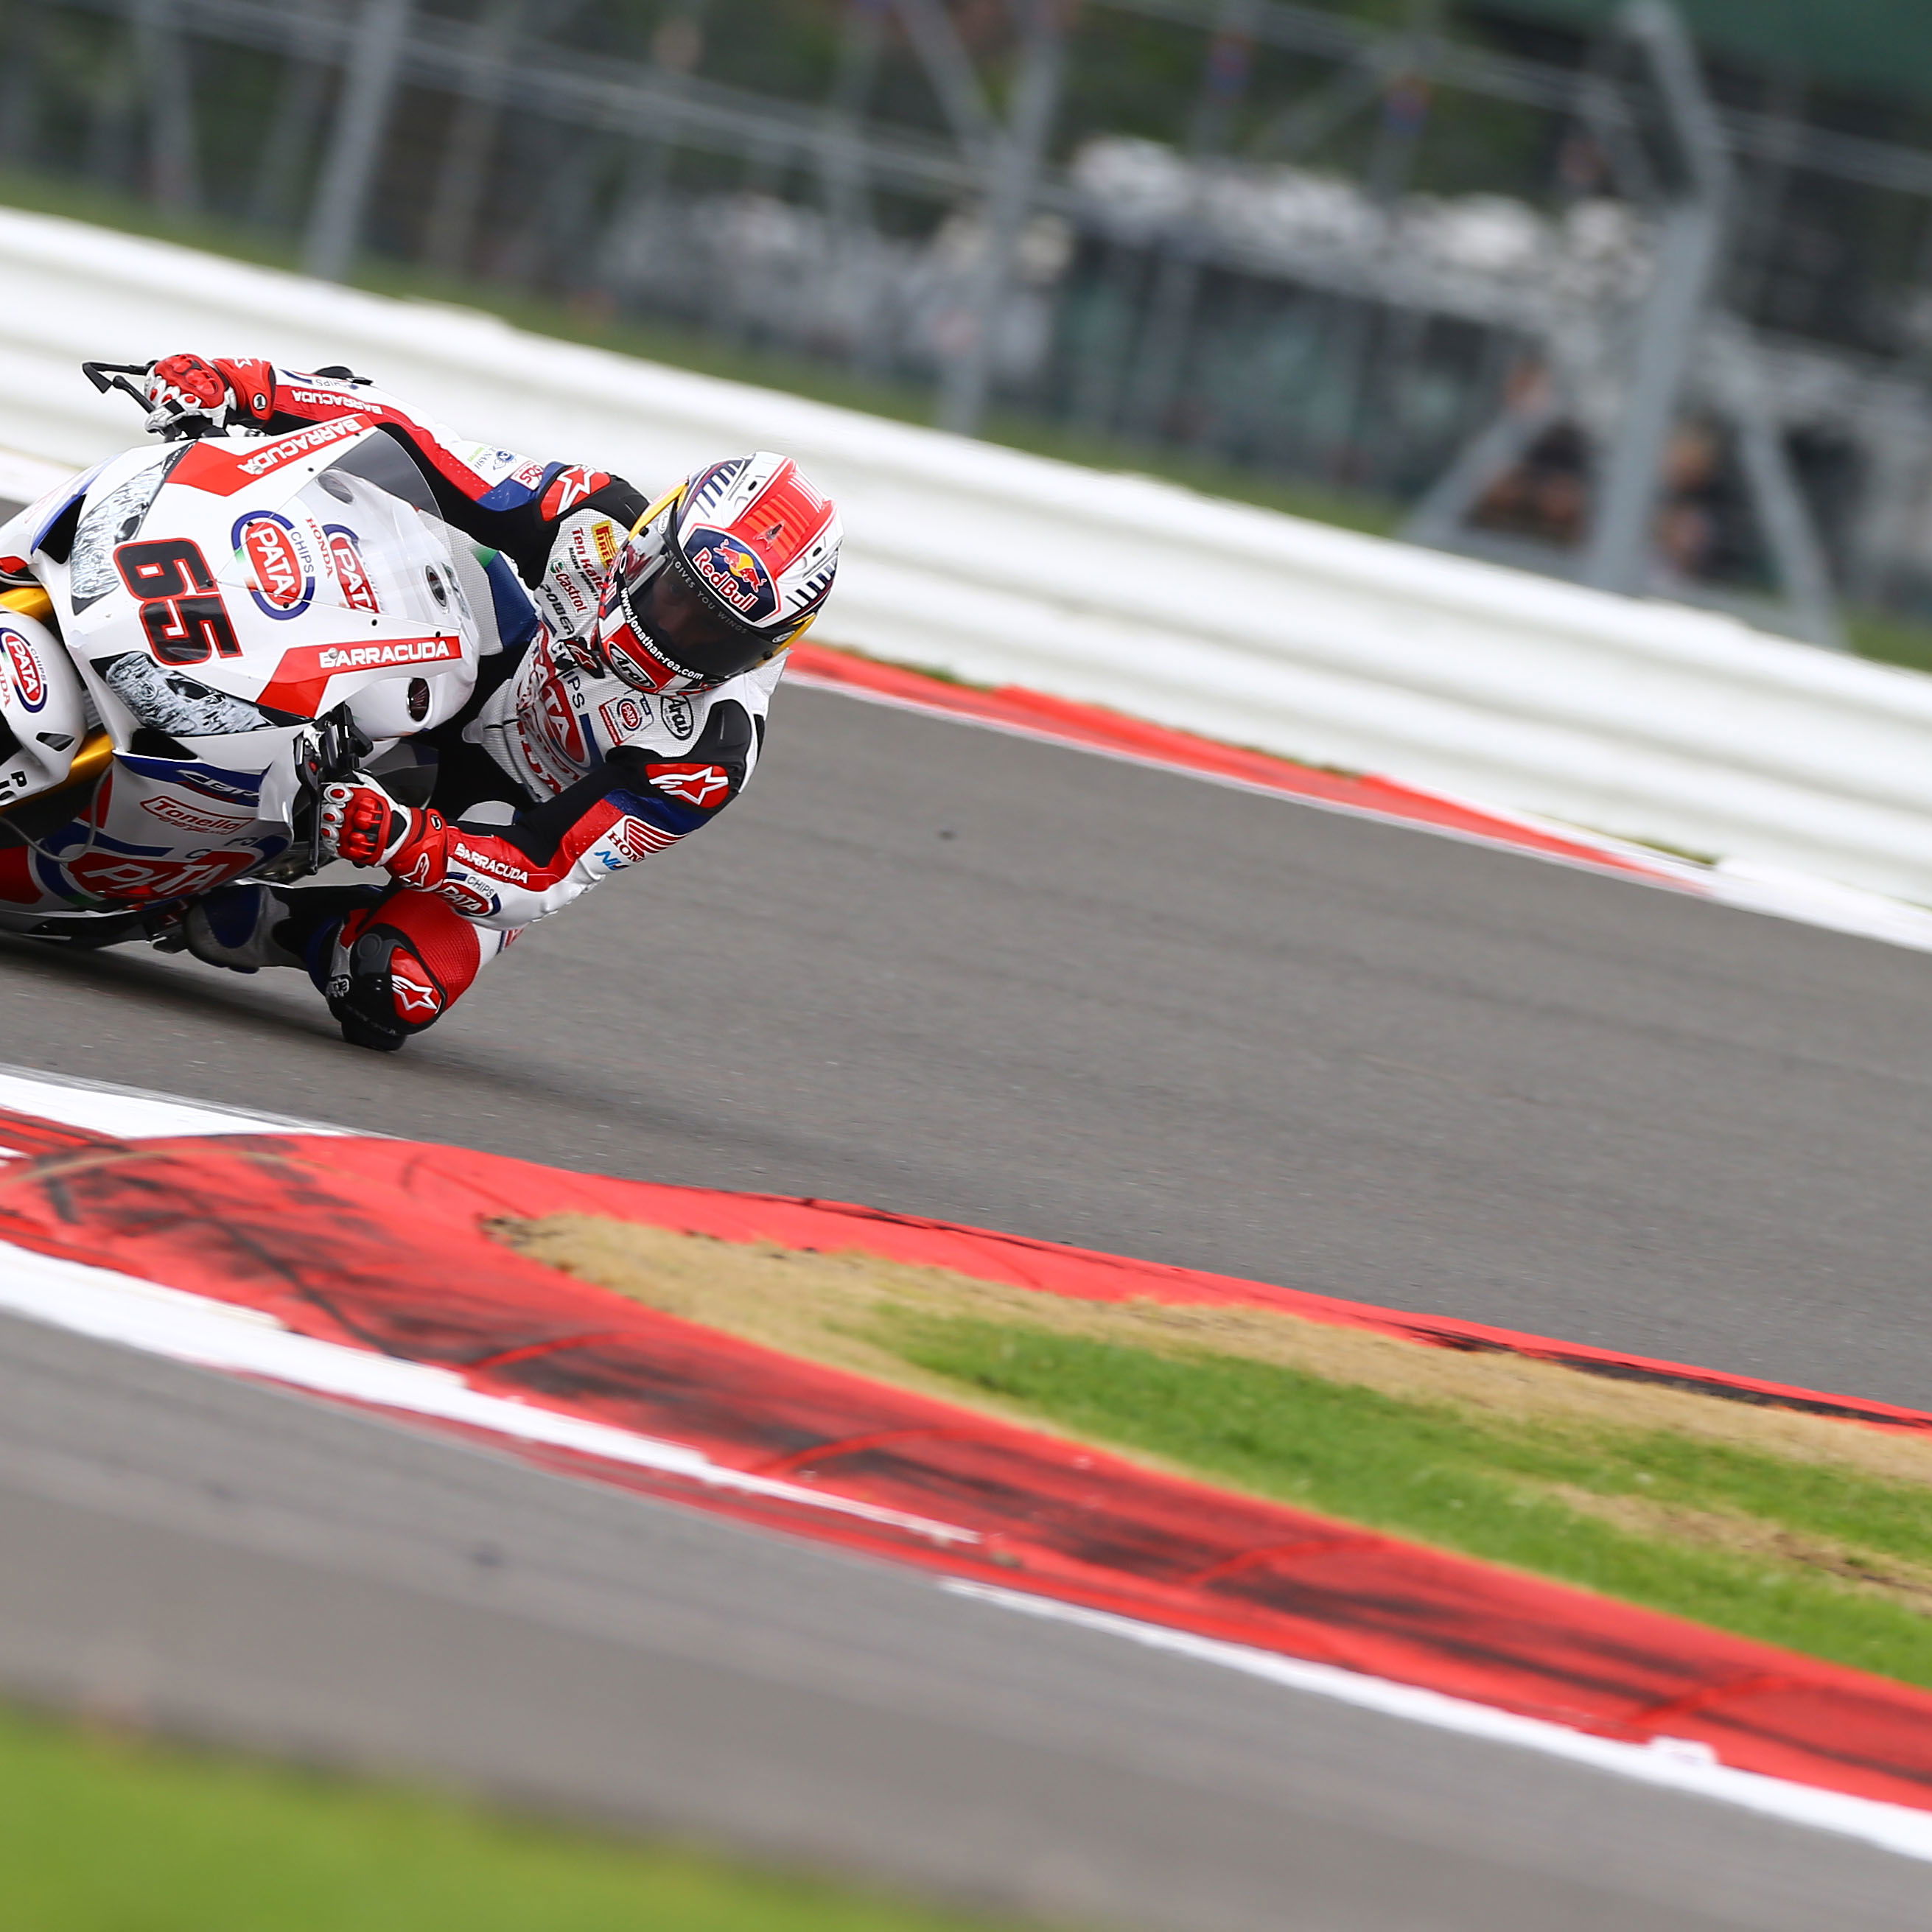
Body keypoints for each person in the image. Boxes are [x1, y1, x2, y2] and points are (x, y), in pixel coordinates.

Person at [139, 353, 842, 1051]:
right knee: (372, 533)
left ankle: (267, 919)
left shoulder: (709, 751)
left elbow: (546, 869)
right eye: (676, 596)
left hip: (512, 809)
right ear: (652, 542)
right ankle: (182, 661)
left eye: (714, 636)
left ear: (768, 646)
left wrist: (407, 840)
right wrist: (251, 388)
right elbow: (426, 450)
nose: (674, 635)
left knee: (396, 991)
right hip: (476, 662)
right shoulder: (593, 520)